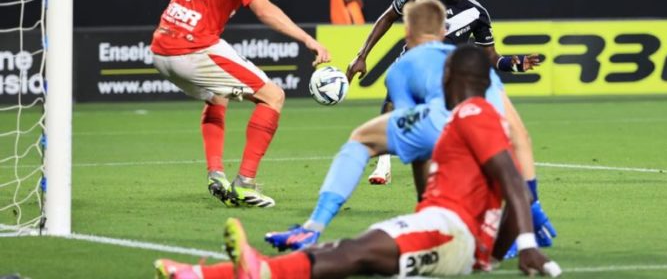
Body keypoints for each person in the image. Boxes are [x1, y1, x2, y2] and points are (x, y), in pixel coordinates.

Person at [153, 45, 562, 279]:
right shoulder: (467, 120)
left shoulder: (473, 114)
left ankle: (243, 274)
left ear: (451, 76)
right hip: (453, 234)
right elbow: (517, 191)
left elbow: (511, 179)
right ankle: (202, 275)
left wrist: (521, 246)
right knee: (347, 251)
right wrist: (492, 254)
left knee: (356, 253)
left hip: (449, 231)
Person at [264, 0, 527, 251]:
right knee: (486, 162)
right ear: (443, 30)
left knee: (362, 138)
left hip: (439, 123)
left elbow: (412, 136)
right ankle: (517, 234)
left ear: (408, 30)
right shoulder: (475, 62)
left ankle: (313, 226)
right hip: (486, 127)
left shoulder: (403, 67)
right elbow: (516, 130)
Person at [150, 0, 330, 208]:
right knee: (273, 96)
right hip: (192, 48)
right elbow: (264, 10)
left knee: (217, 96)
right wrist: (307, 39)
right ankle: (245, 184)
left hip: (160, 47)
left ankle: (216, 174)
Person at [349, 0, 539, 192]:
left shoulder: (477, 13)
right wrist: (362, 54)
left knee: (443, 137)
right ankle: (384, 164)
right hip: (410, 67)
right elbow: (387, 17)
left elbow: (490, 56)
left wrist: (515, 64)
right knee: (393, 104)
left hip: (444, 77)